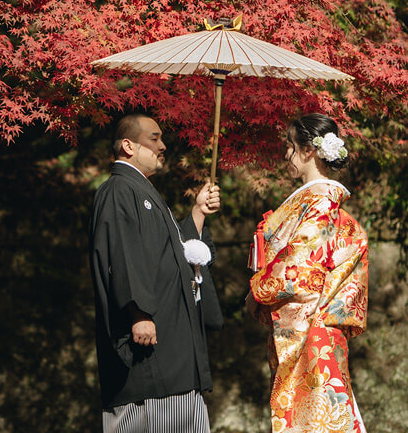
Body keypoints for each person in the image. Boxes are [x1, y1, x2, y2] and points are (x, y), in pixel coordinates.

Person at [89, 112, 223, 433]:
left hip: (174, 351)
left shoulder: (144, 192)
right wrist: (138, 312)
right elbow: (123, 254)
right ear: (128, 146)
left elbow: (172, 253)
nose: (163, 146)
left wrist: (197, 214)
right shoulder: (119, 189)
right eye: (154, 138)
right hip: (149, 350)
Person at [247, 113, 369, 433]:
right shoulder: (319, 201)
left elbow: (301, 266)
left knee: (318, 420)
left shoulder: (321, 200)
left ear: (308, 151)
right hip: (318, 326)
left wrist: (258, 290)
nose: (286, 154)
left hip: (312, 329)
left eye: (290, 146)